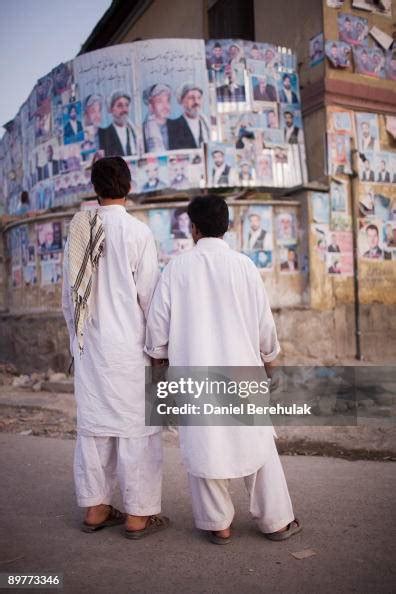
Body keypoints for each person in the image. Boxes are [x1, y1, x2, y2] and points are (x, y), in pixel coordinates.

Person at [145, 195, 301, 545]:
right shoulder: (244, 266)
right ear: (227, 226)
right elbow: (265, 327)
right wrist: (272, 365)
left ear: (194, 228)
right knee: (258, 444)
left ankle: (218, 524)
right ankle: (275, 521)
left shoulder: (176, 268)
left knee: (205, 444)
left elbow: (157, 330)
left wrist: (159, 363)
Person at [62, 156, 168, 538]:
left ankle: (95, 509)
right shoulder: (138, 233)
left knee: (94, 429)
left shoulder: (79, 230)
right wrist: (159, 350)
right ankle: (138, 516)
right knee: (136, 430)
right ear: (129, 186)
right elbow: (150, 299)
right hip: (129, 348)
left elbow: (68, 298)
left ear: (95, 188)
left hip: (90, 348)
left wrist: (77, 342)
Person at [168, 84, 209, 150]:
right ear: (181, 101)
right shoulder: (174, 126)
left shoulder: (205, 123)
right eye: (191, 98)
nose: (196, 102)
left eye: (199, 98)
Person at [98, 91, 140, 157]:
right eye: (120, 105)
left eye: (127, 105)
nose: (124, 109)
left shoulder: (135, 131)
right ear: (111, 109)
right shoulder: (104, 134)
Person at [143, 84, 172, 153]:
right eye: (159, 101)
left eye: (167, 100)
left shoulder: (178, 126)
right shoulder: (143, 130)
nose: (165, 106)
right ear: (150, 106)